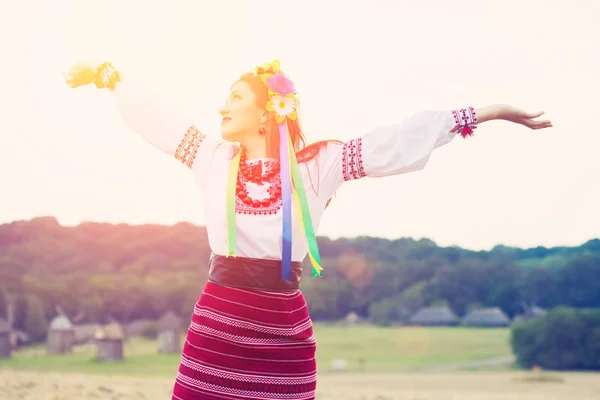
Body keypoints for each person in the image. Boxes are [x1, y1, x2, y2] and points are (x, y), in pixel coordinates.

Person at [63, 59, 552, 399]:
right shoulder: (211, 159)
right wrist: (111, 77)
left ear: (265, 111)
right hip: (219, 326)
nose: (222, 108)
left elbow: (396, 142)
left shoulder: (318, 167)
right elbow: (163, 121)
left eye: (234, 98)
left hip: (283, 332)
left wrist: (487, 113)